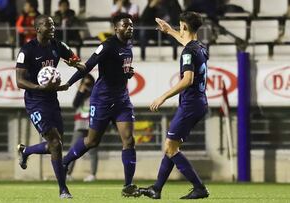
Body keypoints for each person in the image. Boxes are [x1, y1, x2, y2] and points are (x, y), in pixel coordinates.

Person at [59, 13, 140, 197]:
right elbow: (87, 67)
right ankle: (65, 162)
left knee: (129, 141)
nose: (130, 28)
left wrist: (127, 73)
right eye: (125, 25)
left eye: (131, 25)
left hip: (122, 100)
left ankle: (128, 185)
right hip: (102, 100)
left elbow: (120, 68)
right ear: (116, 28)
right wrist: (69, 84)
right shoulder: (107, 46)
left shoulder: (129, 45)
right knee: (91, 141)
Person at [138, 12, 209, 200]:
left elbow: (187, 80)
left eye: (179, 26)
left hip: (190, 104)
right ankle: (157, 189)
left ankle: (199, 187)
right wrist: (169, 31)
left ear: (184, 26)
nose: (179, 28)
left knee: (170, 146)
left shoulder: (188, 52)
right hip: (198, 102)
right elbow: (186, 42)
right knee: (171, 147)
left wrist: (162, 97)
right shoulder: (200, 47)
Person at [15, 14, 81, 199]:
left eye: (53, 24)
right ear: (37, 28)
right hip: (35, 101)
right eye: (47, 25)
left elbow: (77, 62)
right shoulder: (27, 50)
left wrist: (78, 67)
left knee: (56, 144)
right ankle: (63, 189)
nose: (52, 27)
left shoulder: (58, 46)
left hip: (52, 100)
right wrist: (39, 87)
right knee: (55, 143)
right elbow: (19, 81)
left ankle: (26, 150)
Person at [66, 74, 98, 182]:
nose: (87, 85)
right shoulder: (81, 93)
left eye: (89, 83)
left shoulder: (96, 93)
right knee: (73, 148)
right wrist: (81, 91)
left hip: (92, 125)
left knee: (93, 150)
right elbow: (75, 104)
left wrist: (91, 89)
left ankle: (93, 174)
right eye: (86, 82)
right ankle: (68, 173)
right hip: (80, 124)